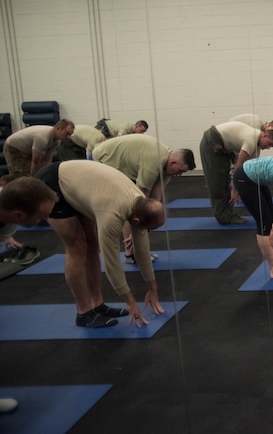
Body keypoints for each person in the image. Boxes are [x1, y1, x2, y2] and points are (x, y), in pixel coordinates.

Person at [35, 160, 166, 328]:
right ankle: (84, 312)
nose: (146, 232)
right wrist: (130, 301)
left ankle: (97, 304)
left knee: (92, 244)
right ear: (136, 220)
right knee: (77, 247)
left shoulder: (140, 204)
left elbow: (142, 249)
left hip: (80, 185)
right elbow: (111, 262)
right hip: (53, 183)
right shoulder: (112, 214)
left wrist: (152, 287)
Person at [0, 175, 58, 414]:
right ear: (18, 215)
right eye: (42, 217)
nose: (46, 220)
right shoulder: (10, 215)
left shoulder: (9, 221)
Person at [92, 134, 196, 263]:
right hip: (104, 158)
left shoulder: (167, 168)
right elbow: (138, 202)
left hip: (127, 164)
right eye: (180, 170)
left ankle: (138, 251)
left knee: (148, 212)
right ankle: (130, 254)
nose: (179, 175)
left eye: (182, 172)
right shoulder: (153, 162)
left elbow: (154, 200)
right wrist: (133, 233)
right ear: (173, 162)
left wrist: (150, 222)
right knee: (131, 206)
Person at [199, 120, 273, 225]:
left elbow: (248, 168)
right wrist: (234, 190)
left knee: (224, 179)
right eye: (269, 144)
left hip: (223, 146)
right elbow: (239, 167)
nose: (268, 147)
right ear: (264, 136)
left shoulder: (256, 143)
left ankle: (228, 213)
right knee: (217, 181)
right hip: (212, 142)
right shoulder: (251, 141)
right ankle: (223, 216)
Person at [3, 119, 74, 176]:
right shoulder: (42, 138)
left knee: (33, 172)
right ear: (58, 129)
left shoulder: (57, 140)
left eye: (70, 134)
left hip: (26, 149)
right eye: (67, 134)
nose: (68, 137)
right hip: (13, 147)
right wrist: (34, 180)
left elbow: (47, 160)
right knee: (21, 176)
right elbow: (36, 162)